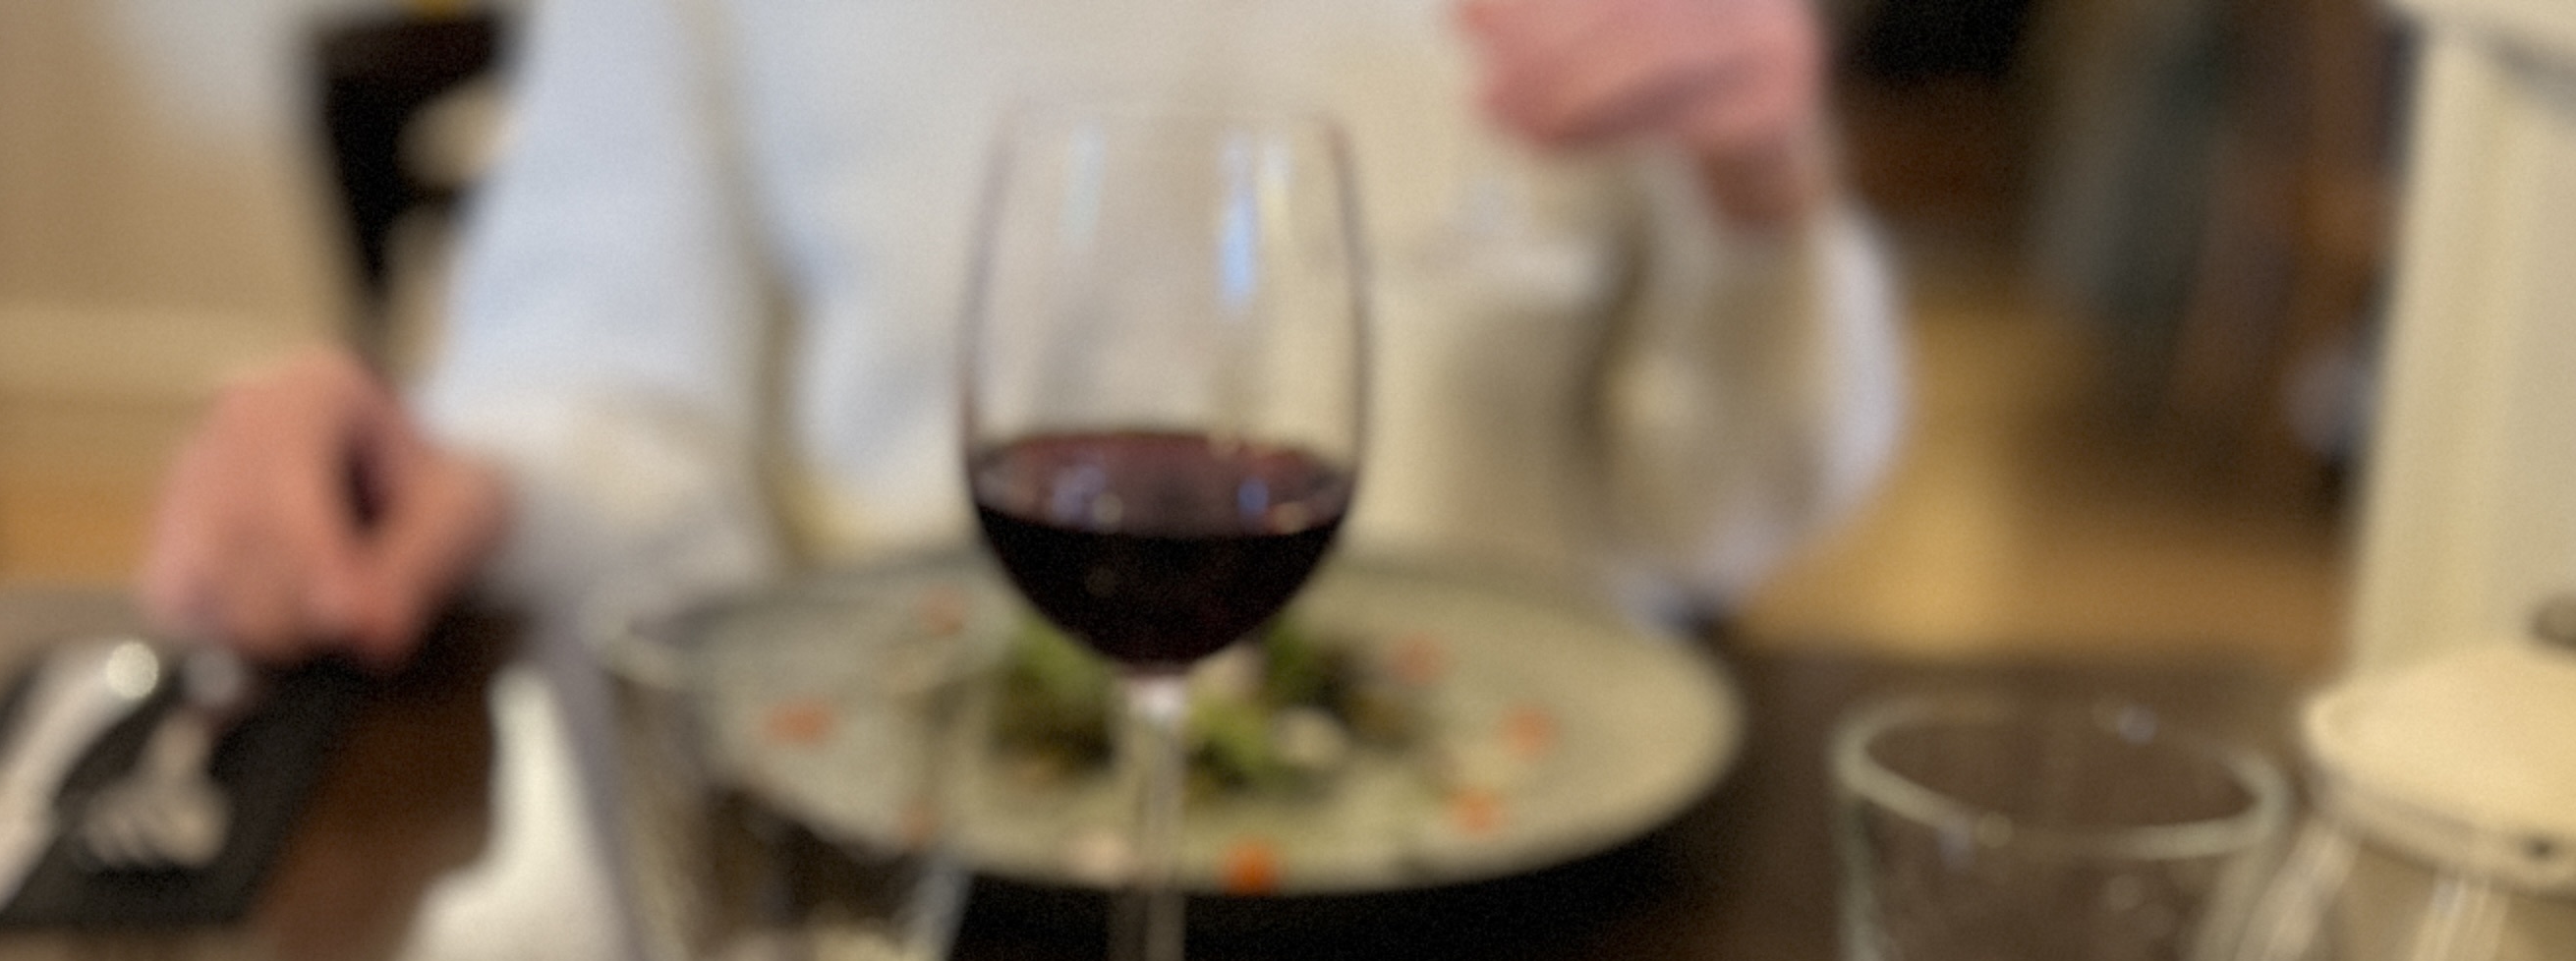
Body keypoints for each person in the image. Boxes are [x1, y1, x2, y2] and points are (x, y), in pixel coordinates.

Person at [142, 0, 1904, 667]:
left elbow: (1729, 507)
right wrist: (439, 481)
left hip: (1534, 885)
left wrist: (1767, 183)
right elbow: (611, 391)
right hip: (922, 861)